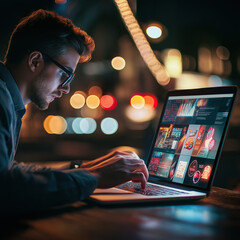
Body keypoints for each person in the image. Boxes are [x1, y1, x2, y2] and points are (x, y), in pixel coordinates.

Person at [0, 9, 148, 214]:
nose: (66, 88)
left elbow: (10, 171)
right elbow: (6, 188)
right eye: (65, 74)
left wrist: (85, 169)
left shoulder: (7, 98)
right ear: (35, 61)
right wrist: (95, 178)